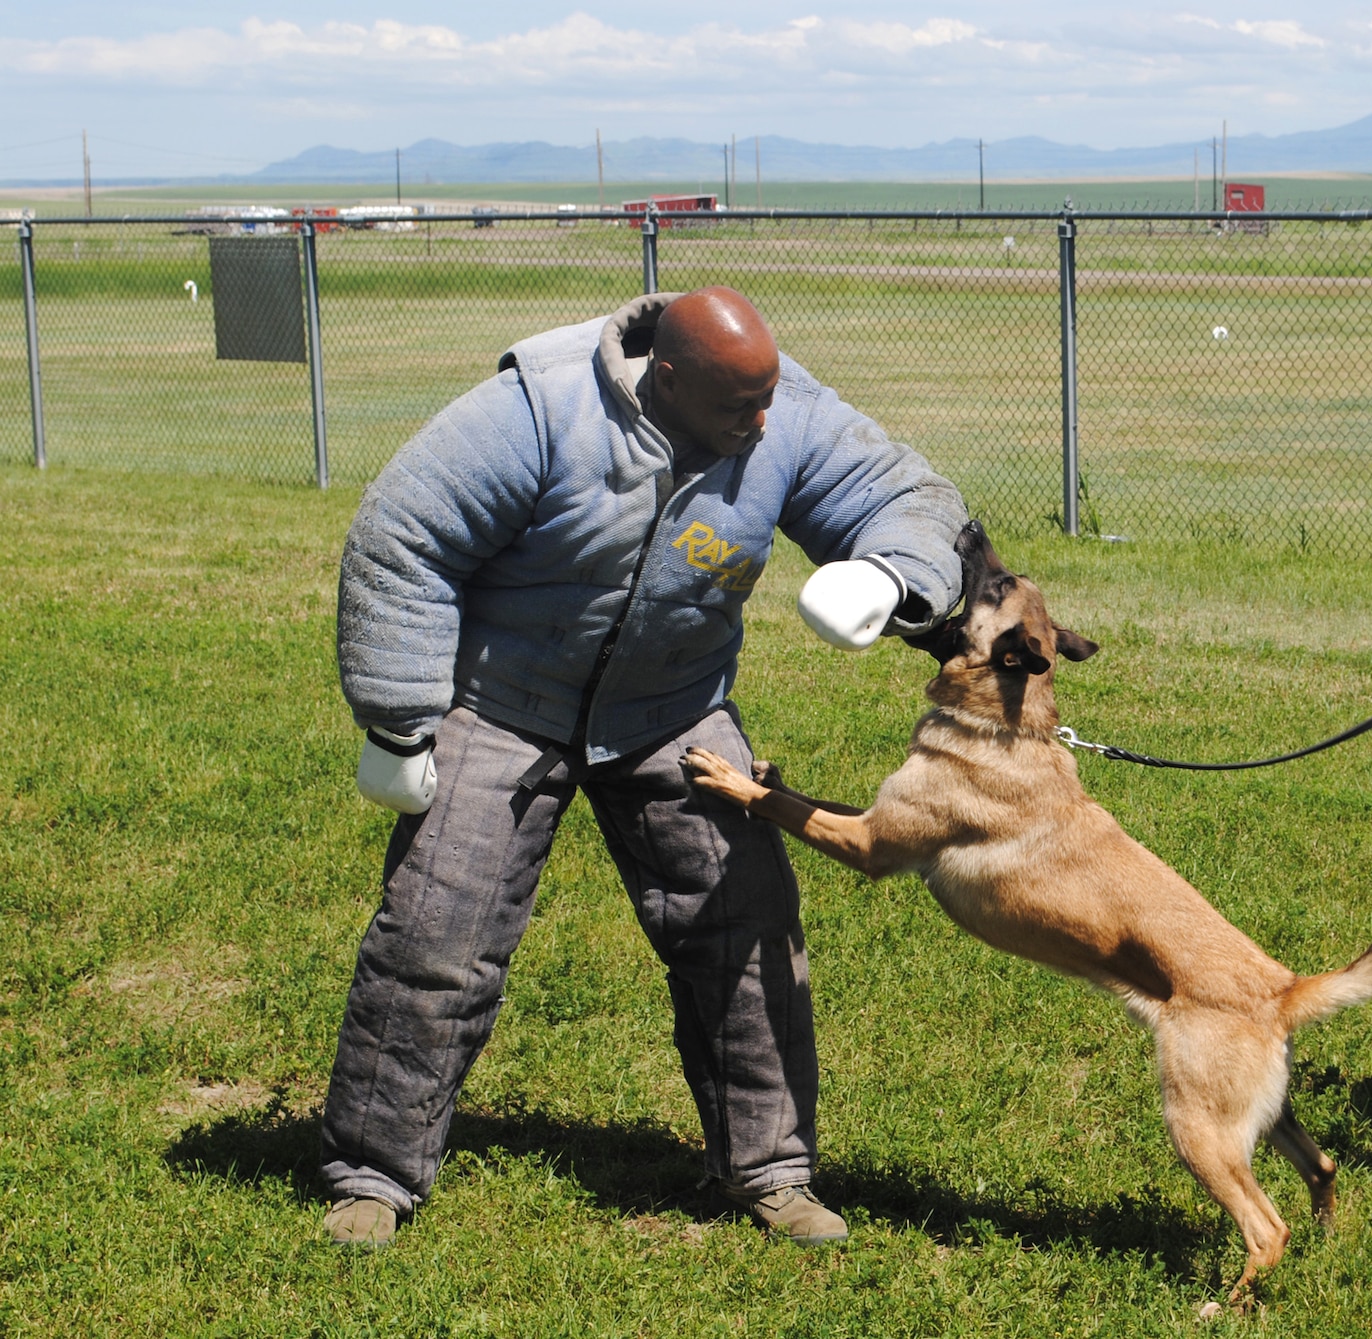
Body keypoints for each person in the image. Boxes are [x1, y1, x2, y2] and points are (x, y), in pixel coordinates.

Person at [322, 286, 968, 1248]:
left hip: (675, 708)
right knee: (434, 939)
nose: (759, 424)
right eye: (735, 408)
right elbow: (403, 536)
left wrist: (891, 573)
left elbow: (904, 496)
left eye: (767, 401)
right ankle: (373, 1174)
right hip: (505, 704)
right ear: (666, 376)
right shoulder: (537, 408)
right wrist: (401, 719)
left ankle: (772, 1169)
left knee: (745, 931)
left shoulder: (780, 412)